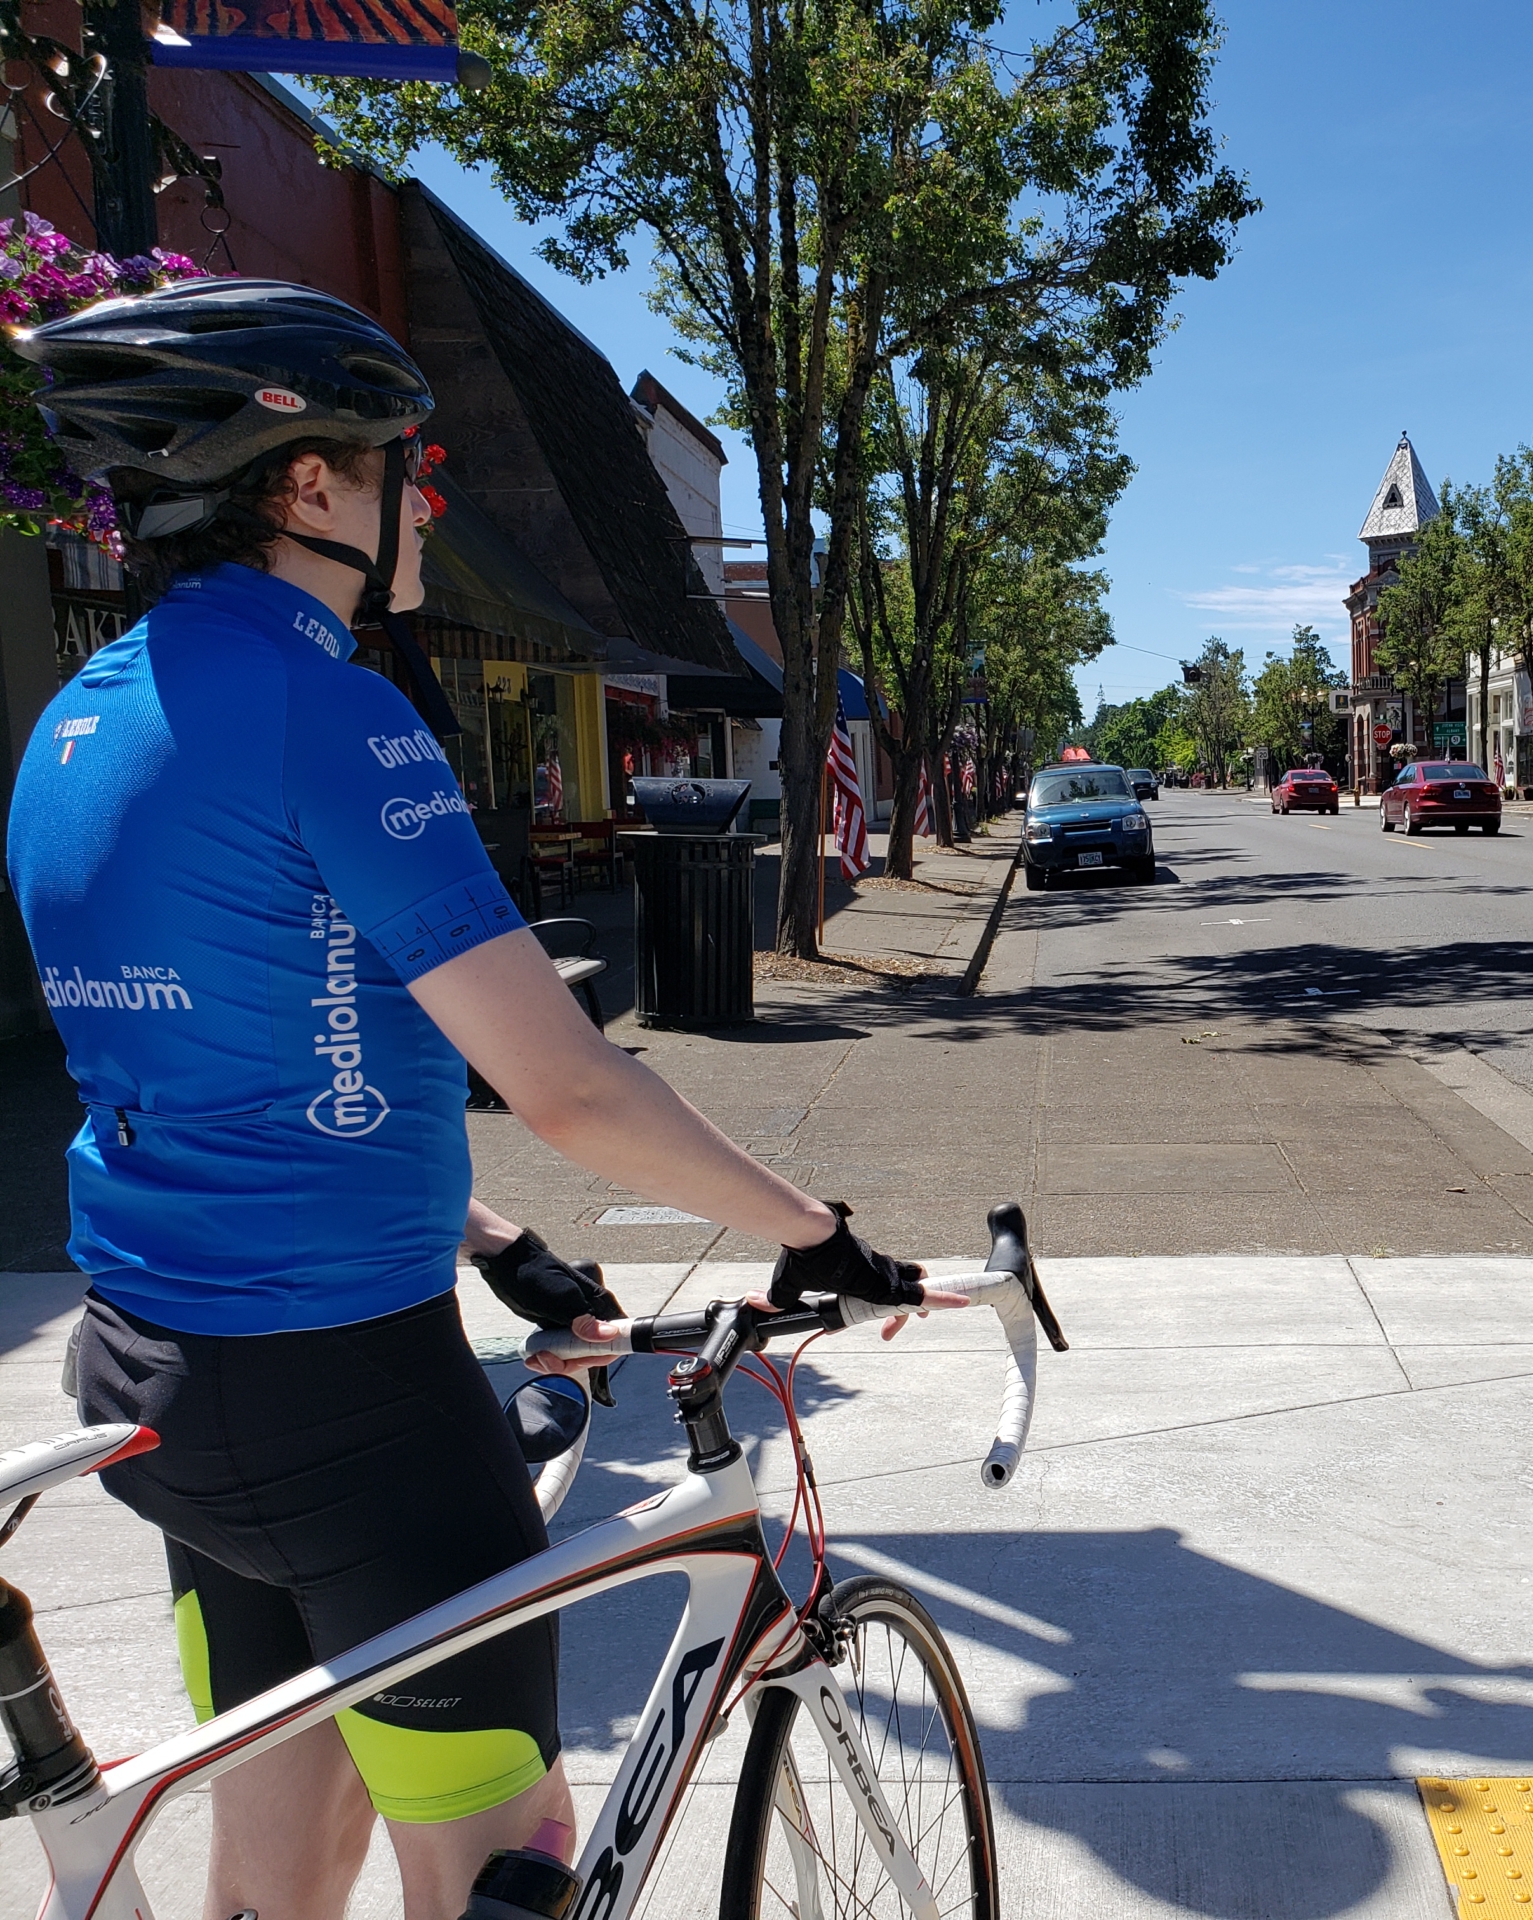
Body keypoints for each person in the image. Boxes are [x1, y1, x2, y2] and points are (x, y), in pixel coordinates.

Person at [4, 280, 966, 1920]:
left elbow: (239, 1069)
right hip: (350, 1406)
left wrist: (493, 1232)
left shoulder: (77, 726)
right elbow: (573, 1084)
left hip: (163, 1377)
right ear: (305, 488)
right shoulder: (332, 708)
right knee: (504, 1871)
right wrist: (816, 1235)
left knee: (278, 1870)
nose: (425, 507)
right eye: (401, 469)